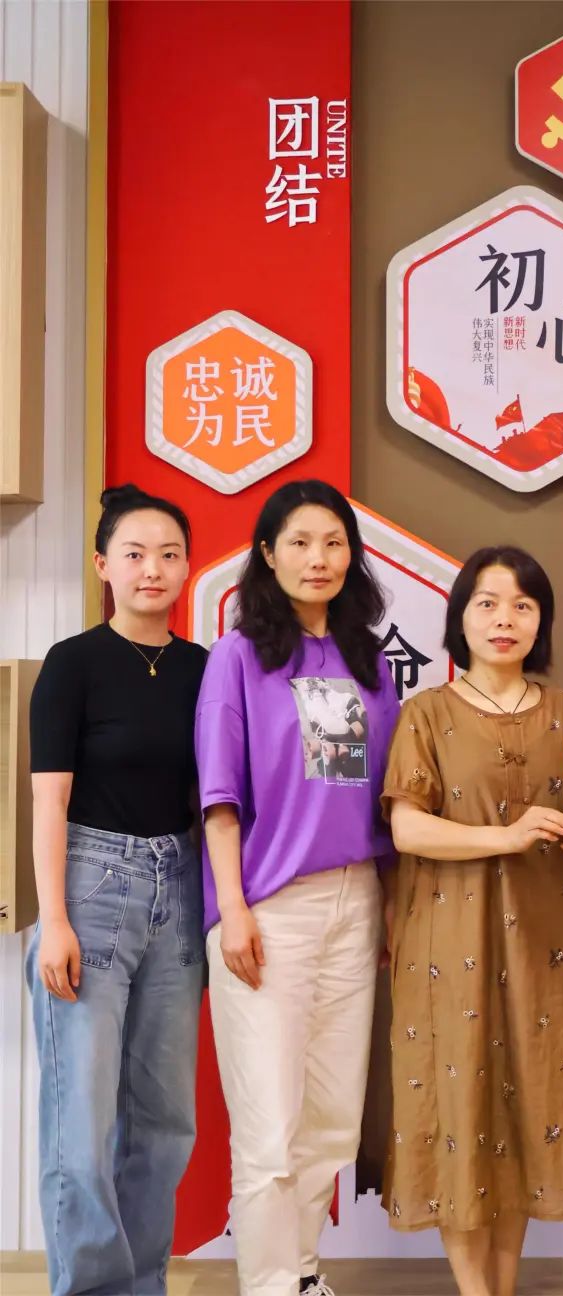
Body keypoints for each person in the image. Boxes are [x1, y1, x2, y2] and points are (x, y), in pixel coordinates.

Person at [381, 545, 563, 1296]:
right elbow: (408, 829)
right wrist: (505, 837)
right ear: (461, 617)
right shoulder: (425, 712)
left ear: (541, 621)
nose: (504, 619)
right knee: (458, 1104)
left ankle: (502, 1290)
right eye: (487, 603)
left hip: (542, 938)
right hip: (446, 939)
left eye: (522, 605)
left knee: (529, 1104)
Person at [196, 480, 399, 1296]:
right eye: (300, 542)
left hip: (359, 900)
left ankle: (304, 1273)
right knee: (270, 1127)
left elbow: (387, 796)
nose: (319, 559)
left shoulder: (369, 663)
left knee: (332, 1119)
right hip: (270, 907)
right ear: (267, 555)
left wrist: (388, 905)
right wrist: (232, 909)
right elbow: (219, 797)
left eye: (334, 542)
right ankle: (271, 1286)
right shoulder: (239, 657)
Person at [26, 484, 207, 1296]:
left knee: (165, 1121)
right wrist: (54, 919)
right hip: (91, 886)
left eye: (169, 554)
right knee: (83, 1121)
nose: (152, 569)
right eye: (134, 554)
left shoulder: (203, 668)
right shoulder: (74, 663)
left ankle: (140, 1285)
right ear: (103, 564)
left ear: (188, 567)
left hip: (181, 886)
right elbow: (48, 801)